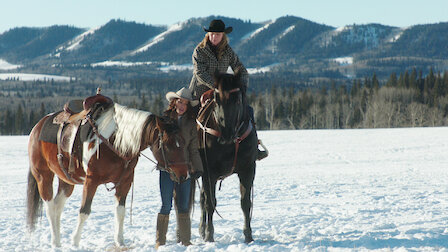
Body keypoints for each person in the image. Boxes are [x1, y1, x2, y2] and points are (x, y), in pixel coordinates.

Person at [189, 19, 268, 160]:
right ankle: (186, 151)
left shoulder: (228, 52)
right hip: (200, 91)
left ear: (223, 36)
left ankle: (254, 147)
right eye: (212, 34)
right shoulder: (199, 50)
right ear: (208, 35)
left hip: (223, 94)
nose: (214, 37)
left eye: (218, 34)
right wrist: (217, 87)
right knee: (188, 116)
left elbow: (241, 70)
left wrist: (241, 88)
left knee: (247, 110)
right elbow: (199, 73)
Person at [155, 87, 203, 249]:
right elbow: (157, 146)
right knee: (166, 205)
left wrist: (197, 168)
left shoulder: (191, 123)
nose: (182, 105)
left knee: (183, 206)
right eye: (180, 101)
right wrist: (161, 162)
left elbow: (193, 149)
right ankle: (160, 240)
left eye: (186, 103)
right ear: (174, 101)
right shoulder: (165, 119)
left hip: (185, 169)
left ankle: (185, 241)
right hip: (167, 169)